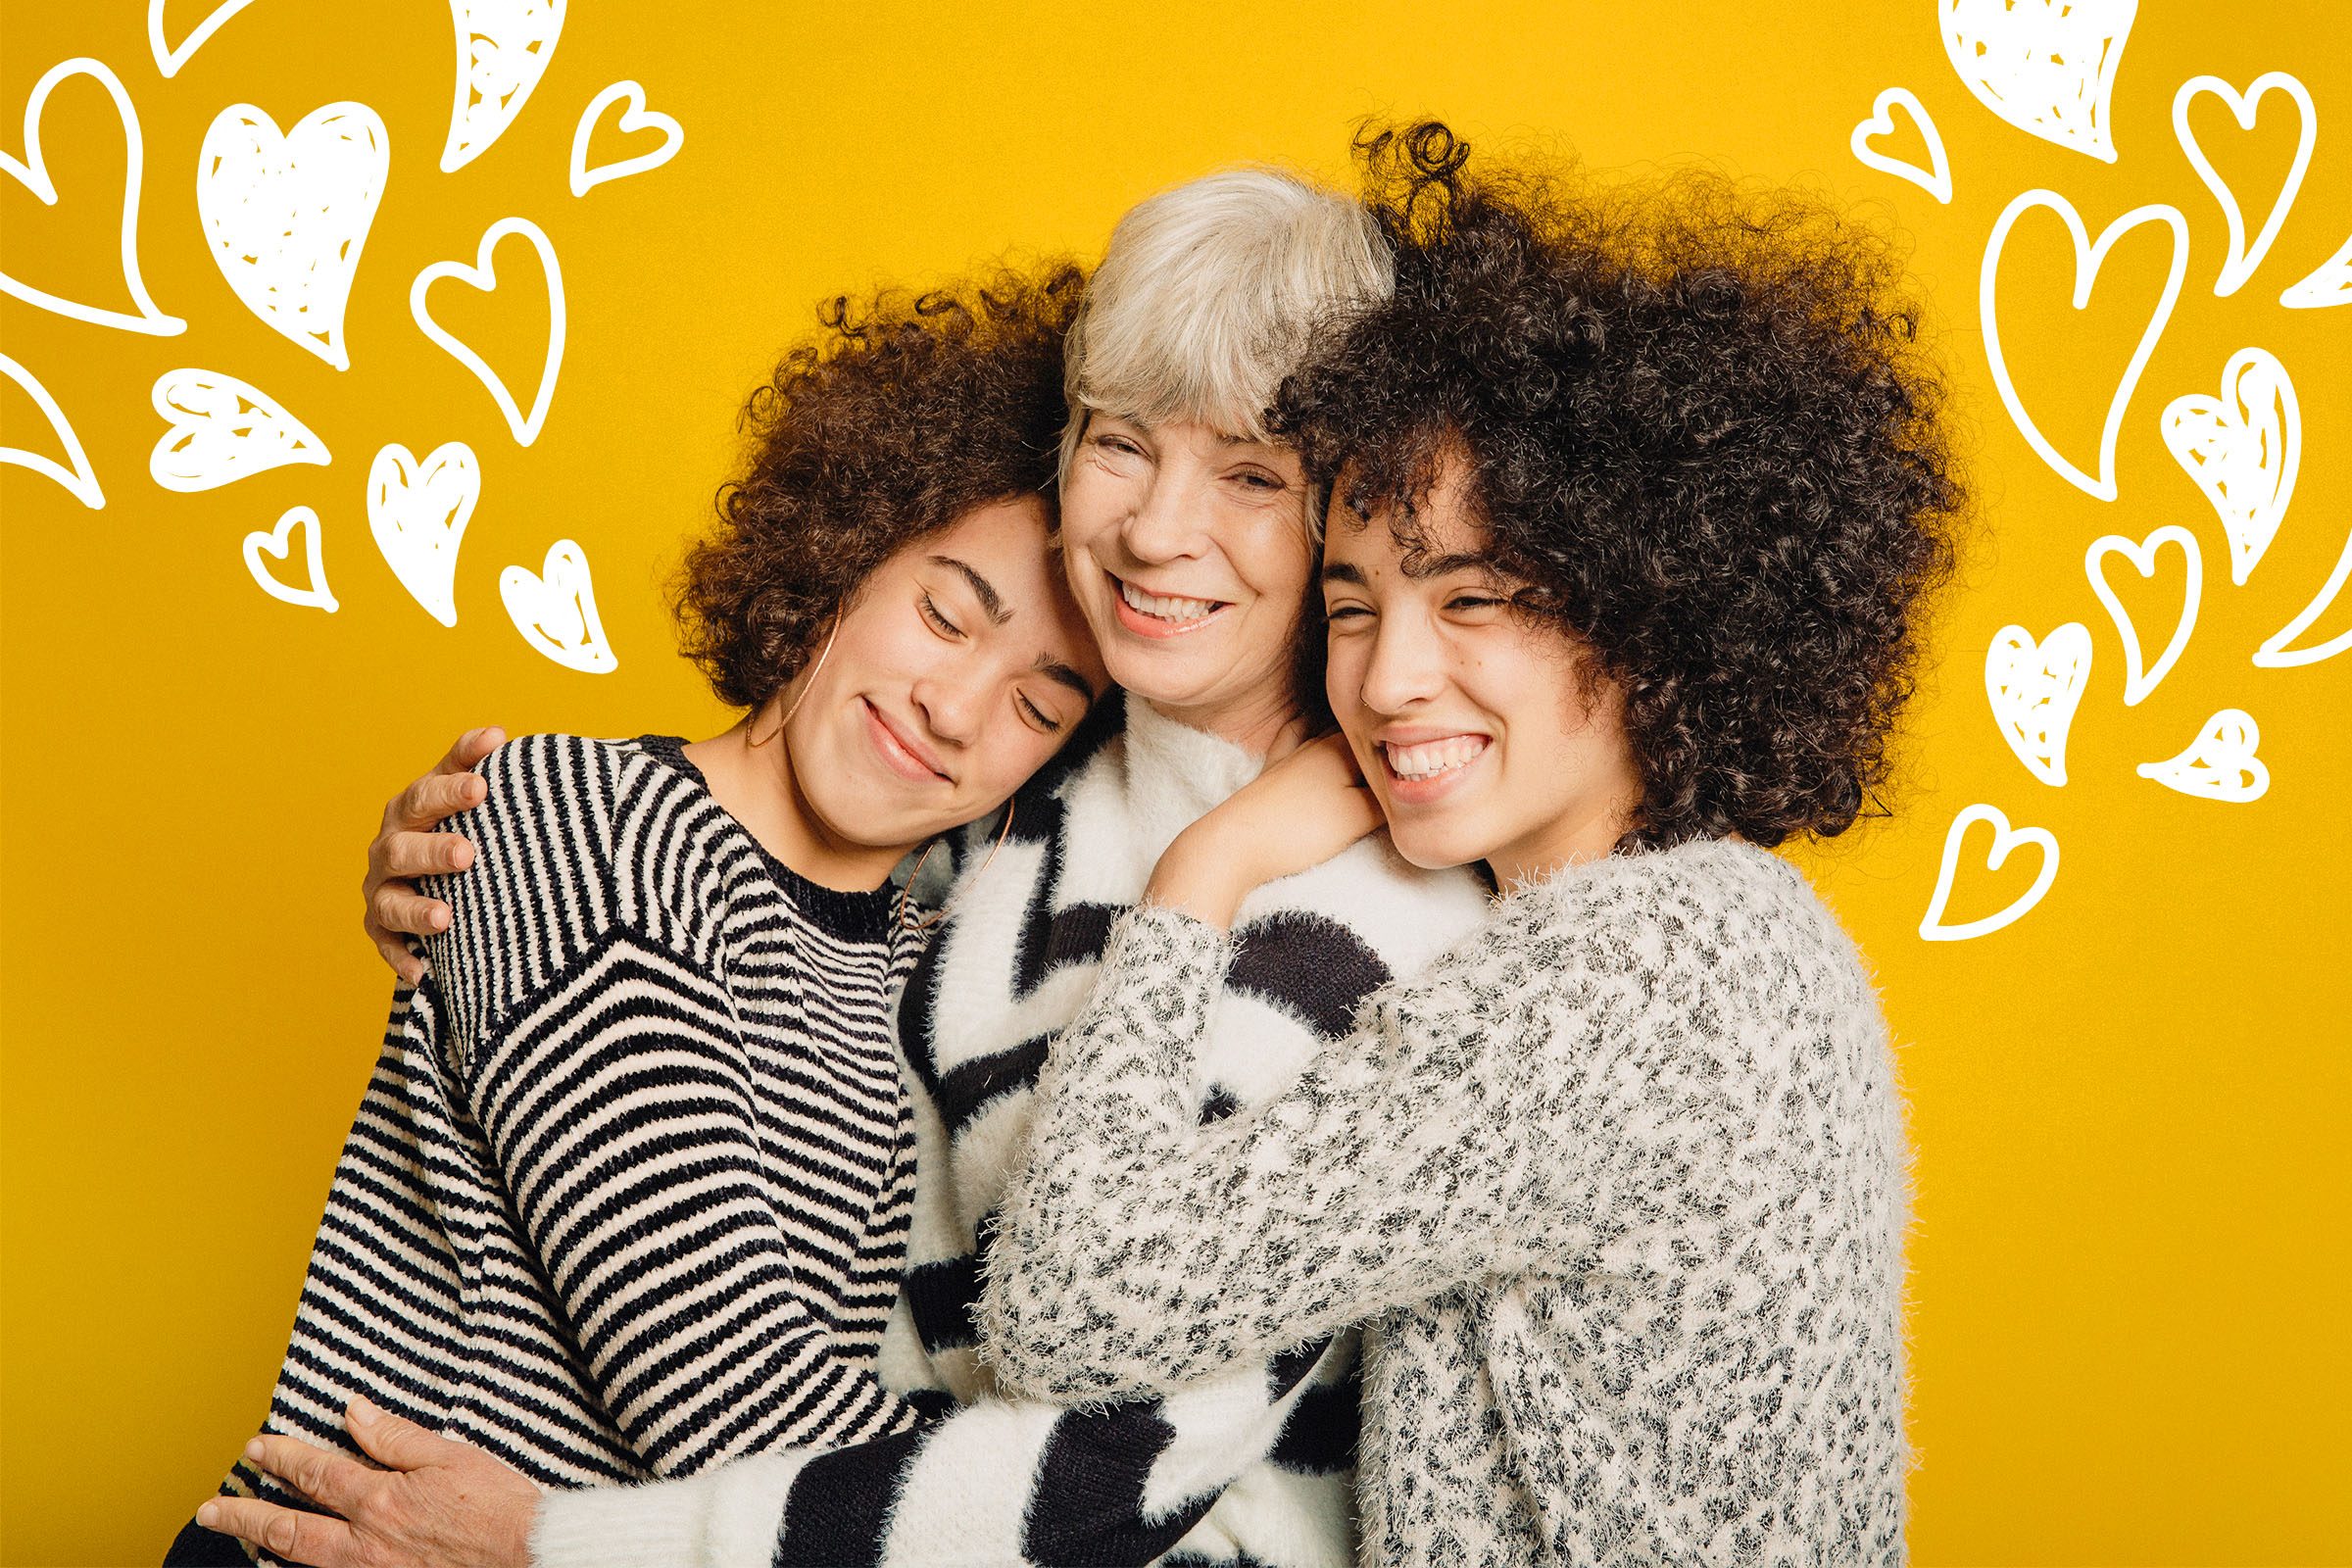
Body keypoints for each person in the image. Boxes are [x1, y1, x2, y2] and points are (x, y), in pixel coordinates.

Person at [207, 152, 1494, 1568]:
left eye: (1249, 474)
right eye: (1120, 441)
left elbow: (1092, 1464)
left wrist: (560, 1542)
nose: (1156, 531)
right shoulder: (691, 830)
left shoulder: (1259, 920)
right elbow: (726, 1380)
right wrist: (508, 835)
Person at [982, 125, 1961, 1562]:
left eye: (1478, 600)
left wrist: (1205, 872)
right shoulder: (1730, 932)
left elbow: (1072, 1301)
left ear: (1647, 605)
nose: (1386, 682)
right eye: (1358, 603)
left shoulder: (1635, 975)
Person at [171, 267, 1109, 1566]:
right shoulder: (577, 825)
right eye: (947, 613)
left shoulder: (924, 966)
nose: (955, 706)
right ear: (849, 550)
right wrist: (1092, 1514)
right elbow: (729, 1399)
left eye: (1039, 704)